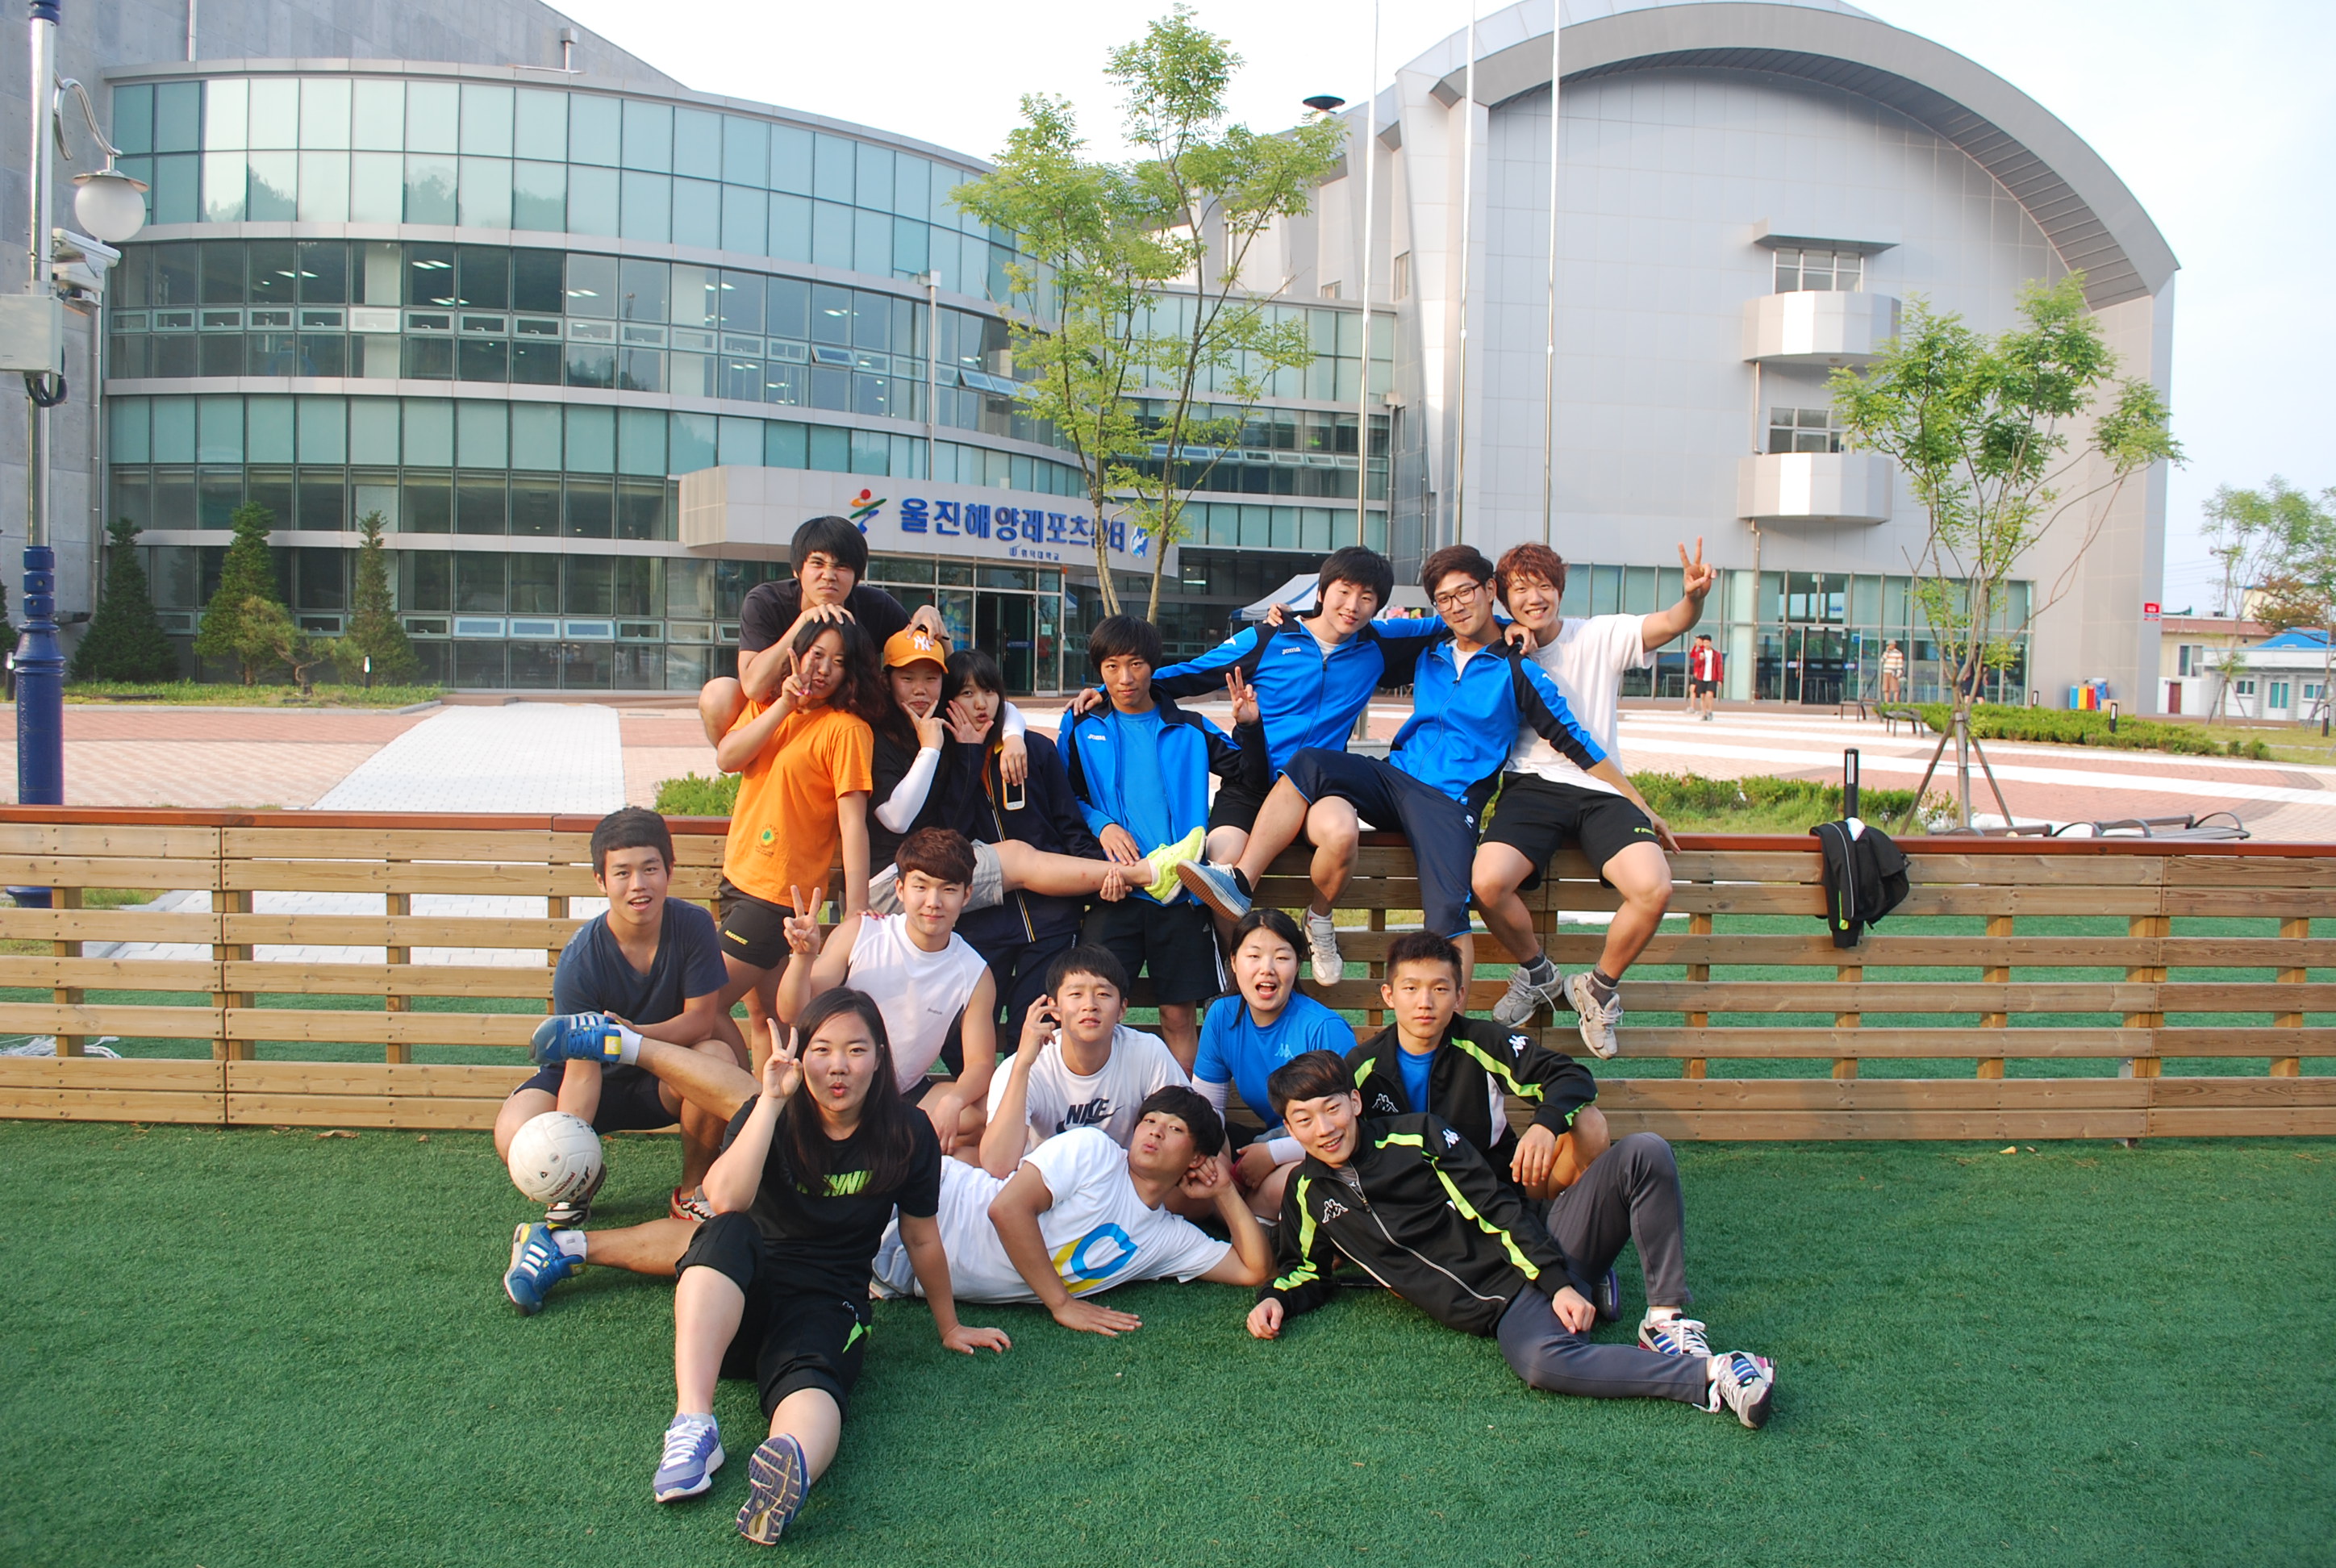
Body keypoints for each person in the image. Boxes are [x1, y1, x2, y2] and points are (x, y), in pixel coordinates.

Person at [1178, 546, 1633, 991]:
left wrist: (1635, 801)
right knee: (1310, 761)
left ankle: (1451, 1030)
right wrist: (1293, 617)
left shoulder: (1517, 669)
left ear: (1490, 590)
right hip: (1394, 780)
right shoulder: (1430, 649)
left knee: (1447, 917)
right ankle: (1241, 882)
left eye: (1465, 593)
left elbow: (1576, 740)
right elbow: (1351, 627)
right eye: (1444, 599)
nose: (1456, 607)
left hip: (1448, 802)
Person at [1245, 1051, 1776, 1429]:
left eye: (1332, 1108)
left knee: (1644, 1151)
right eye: (1304, 1119)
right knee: (1542, 1363)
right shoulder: (1307, 1192)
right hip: (1507, 1308)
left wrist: (1555, 1282)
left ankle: (1665, 1321)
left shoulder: (1418, 1135)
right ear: (1289, 1128)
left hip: (1548, 1247)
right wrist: (1276, 1299)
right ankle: (1715, 1374)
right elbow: (1307, 1267)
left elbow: (1494, 1204)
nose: (1323, 1128)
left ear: (1356, 1103)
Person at [650, 990, 1011, 1542]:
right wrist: (771, 1102)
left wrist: (950, 1325)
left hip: (827, 1302)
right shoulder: (766, 1114)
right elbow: (724, 1199)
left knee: (814, 1383)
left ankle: (788, 1465)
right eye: (822, 1049)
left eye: (856, 1050)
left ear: (880, 1057)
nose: (838, 1065)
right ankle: (693, 1422)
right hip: (738, 1309)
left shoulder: (907, 1132)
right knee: (724, 1233)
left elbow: (920, 1235)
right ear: (802, 1058)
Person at [1073, 547, 1445, 982]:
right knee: (1220, 861)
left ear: (1378, 605)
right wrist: (1108, 690)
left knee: (1343, 833)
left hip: (1321, 788)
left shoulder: (1377, 646)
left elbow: (1455, 621)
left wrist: (1511, 626)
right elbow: (1192, 673)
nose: (1353, 606)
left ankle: (1320, 920)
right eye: (1344, 592)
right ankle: (1237, 976)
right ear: (1322, 592)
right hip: (1252, 784)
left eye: (1367, 598)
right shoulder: (1269, 638)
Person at [1470, 540, 1704, 1045]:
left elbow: (1671, 623)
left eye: (1544, 586)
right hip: (1532, 785)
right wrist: (1504, 634)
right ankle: (1538, 973)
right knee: (1486, 882)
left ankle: (1597, 987)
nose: (1534, 598)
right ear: (1504, 599)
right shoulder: (1501, 647)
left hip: (1602, 788)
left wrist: (1693, 599)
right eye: (1520, 589)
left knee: (1654, 888)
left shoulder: (1599, 635)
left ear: (1559, 589)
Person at [871, 1087, 1273, 1334]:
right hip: (916, 1201)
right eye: (1150, 1120)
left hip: (909, 1272)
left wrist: (1224, 1192)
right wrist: (1062, 1304)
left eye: (1175, 1129)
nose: (1155, 1130)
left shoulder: (1165, 1238)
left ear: (1197, 1158)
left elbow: (1254, 1270)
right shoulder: (1093, 1150)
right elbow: (1007, 1209)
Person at [1065, 614, 1266, 1067]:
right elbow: (1065, 796)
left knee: (1178, 1018)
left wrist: (1250, 728)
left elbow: (1251, 778)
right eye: (1112, 667)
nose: (1125, 678)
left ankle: (1185, 1106)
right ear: (1099, 670)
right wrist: (1101, 824)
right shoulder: (1082, 727)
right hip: (1115, 891)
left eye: (1136, 664)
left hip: (1179, 898)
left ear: (1153, 667)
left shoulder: (1190, 728)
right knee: (1092, 1009)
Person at [936, 648, 1135, 1045]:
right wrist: (969, 757)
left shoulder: (1035, 750)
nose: (981, 704)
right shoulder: (943, 761)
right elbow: (949, 836)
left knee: (1035, 1034)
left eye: (989, 691)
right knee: (962, 1037)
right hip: (982, 924)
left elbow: (1068, 825)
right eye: (967, 694)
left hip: (1050, 922)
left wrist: (1099, 879)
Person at [711, 617, 885, 1056]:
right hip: (739, 877)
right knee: (770, 1020)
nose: (823, 669)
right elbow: (727, 758)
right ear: (797, 652)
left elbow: (853, 824)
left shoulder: (846, 729)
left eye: (839, 662)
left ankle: (737, 1097)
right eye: (817, 655)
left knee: (704, 1006)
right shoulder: (768, 708)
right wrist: (785, 705)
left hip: (777, 895)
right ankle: (780, 1101)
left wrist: (856, 911)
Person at [773, 828, 999, 1153]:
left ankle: (885, 1144)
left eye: (948, 889)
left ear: (966, 895)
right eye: (920, 886)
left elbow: (980, 1063)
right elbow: (792, 1012)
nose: (933, 902)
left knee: (985, 1109)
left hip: (901, 1094)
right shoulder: (862, 933)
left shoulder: (974, 973)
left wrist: (954, 1101)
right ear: (900, 889)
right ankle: (884, 1145)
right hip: (838, 1080)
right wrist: (803, 957)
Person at [1345, 930, 1608, 1205]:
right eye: (1411, 988)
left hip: (1491, 1190)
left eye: (1440, 989)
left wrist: (1545, 1125)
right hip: (1407, 1201)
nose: (1425, 1003)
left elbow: (1570, 1075)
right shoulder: (1362, 1065)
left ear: (1459, 996)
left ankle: (1558, 1222)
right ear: (1389, 995)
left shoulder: (1484, 1042)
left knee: (1589, 1123)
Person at [1192, 908, 1360, 1220]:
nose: (1267, 969)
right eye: (1253, 956)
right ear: (1234, 962)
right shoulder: (1221, 1016)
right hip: (1272, 1137)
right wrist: (1221, 1161)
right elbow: (1207, 1110)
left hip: (1327, 1149)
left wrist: (1273, 1154)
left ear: (1297, 964)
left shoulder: (1323, 1028)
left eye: (1282, 957)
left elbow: (1350, 1126)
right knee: (1193, 1161)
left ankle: (1252, 1221)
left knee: (1280, 1187)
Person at [979, 944, 1190, 1177]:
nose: (1090, 1005)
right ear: (1054, 1008)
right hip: (1045, 1185)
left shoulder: (1147, 1052)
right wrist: (1022, 1066)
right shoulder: (1022, 1066)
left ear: (1122, 1009)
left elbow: (1187, 1126)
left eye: (1103, 994)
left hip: (1123, 1182)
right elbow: (997, 1166)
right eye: (1076, 994)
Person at [1689, 632, 1723, 720]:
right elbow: (1696, 664)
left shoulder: (1716, 654)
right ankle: (1704, 714)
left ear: (1711, 643)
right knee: (1702, 696)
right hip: (1701, 677)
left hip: (1712, 677)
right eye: (1704, 643)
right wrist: (1700, 660)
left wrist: (1720, 679)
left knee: (1710, 695)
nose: (1706, 644)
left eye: (1707, 642)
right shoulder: (1700, 653)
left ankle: (1709, 711)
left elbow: (1719, 666)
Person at [1880, 639, 1905, 703]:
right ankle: (1886, 702)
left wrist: (1899, 673)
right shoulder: (1886, 653)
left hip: (1893, 672)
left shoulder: (1898, 653)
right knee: (1886, 688)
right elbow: (1882, 660)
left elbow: (1900, 663)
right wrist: (1887, 652)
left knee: (1895, 688)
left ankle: (1895, 702)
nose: (1889, 646)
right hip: (1886, 672)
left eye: (1890, 645)